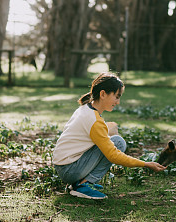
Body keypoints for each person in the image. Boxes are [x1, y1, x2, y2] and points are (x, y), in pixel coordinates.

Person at [53, 72, 166, 200]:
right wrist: (145, 164)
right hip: (70, 169)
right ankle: (83, 185)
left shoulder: (86, 108)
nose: (118, 102)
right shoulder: (94, 120)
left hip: (64, 166)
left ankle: (81, 183)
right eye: (117, 97)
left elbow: (92, 133)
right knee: (118, 143)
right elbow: (113, 155)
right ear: (103, 94)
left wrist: (109, 128)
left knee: (116, 140)